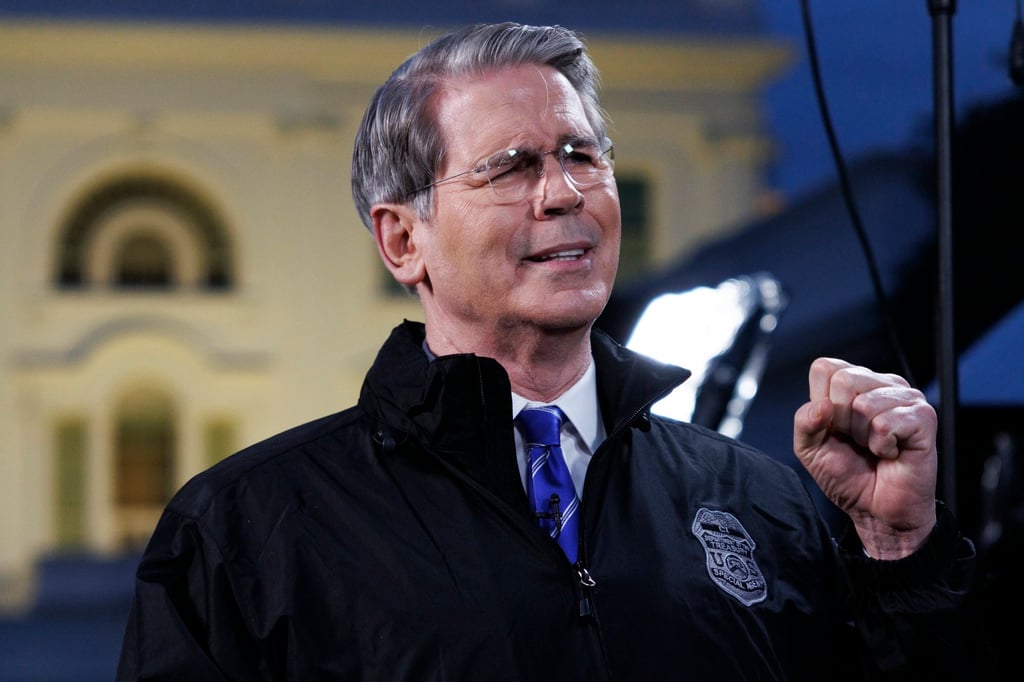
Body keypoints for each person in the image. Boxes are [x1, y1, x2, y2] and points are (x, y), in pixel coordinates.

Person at [116, 22, 978, 681]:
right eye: (511, 168)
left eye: (581, 154)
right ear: (402, 240)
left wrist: (900, 553)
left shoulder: (768, 504)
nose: (564, 192)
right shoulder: (245, 530)